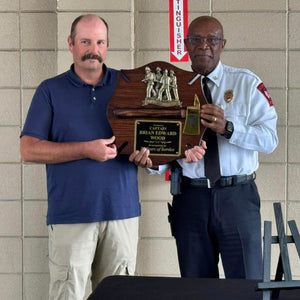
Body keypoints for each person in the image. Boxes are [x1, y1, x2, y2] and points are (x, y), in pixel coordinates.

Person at [20, 14, 151, 300]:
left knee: (120, 295)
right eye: (85, 41)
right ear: (70, 43)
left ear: (107, 45)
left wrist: (149, 158)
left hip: (122, 213)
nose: (93, 48)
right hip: (71, 216)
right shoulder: (49, 91)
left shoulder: (129, 86)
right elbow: (28, 149)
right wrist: (85, 149)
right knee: (69, 294)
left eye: (100, 42)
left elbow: (151, 140)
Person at [141, 15, 278, 280]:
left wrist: (228, 128)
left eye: (212, 39)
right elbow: (163, 149)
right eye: (196, 40)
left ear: (222, 44)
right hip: (191, 198)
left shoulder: (246, 84)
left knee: (247, 285)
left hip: (236, 197)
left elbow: (269, 140)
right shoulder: (169, 89)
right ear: (186, 44)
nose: (205, 46)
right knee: (196, 287)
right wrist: (152, 162)